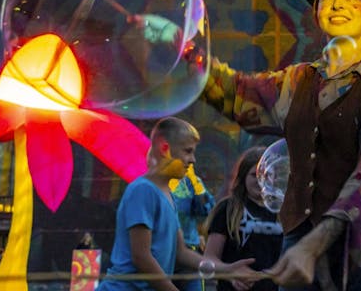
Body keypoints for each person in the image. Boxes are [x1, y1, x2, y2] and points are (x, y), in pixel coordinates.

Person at [202, 0, 361, 291]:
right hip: (299, 242)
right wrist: (185, 54)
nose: (336, 3)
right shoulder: (298, 79)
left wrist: (314, 246)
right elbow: (239, 96)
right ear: (317, 15)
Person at [101, 118, 259, 291]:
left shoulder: (168, 194)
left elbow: (180, 252)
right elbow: (141, 257)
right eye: (188, 151)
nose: (193, 160)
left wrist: (226, 270)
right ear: (165, 149)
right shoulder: (143, 190)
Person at [204, 146, 283, 291]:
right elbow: (208, 259)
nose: (261, 180)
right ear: (243, 176)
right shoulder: (229, 208)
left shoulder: (284, 212)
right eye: (255, 174)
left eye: (267, 175)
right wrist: (229, 272)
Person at [172, 166, 216, 290]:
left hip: (190, 252)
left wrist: (196, 184)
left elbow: (207, 210)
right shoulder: (157, 183)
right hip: (165, 253)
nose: (192, 160)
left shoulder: (190, 182)